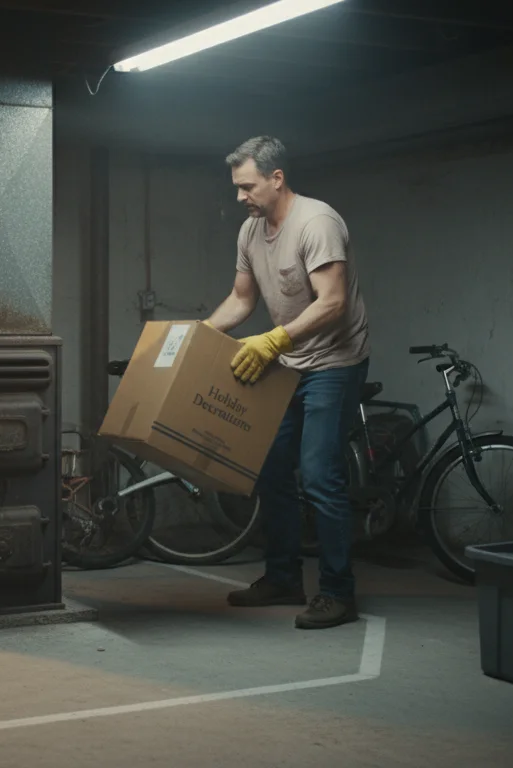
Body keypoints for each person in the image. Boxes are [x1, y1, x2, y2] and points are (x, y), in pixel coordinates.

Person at [203, 136, 370, 630]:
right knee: (270, 468)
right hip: (289, 361)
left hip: (334, 362)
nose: (240, 197)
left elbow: (333, 302)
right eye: (237, 188)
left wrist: (274, 340)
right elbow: (241, 299)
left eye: (247, 186)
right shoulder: (250, 230)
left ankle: (338, 592)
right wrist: (199, 337)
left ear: (277, 179)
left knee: (318, 474)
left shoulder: (317, 222)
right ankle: (282, 578)